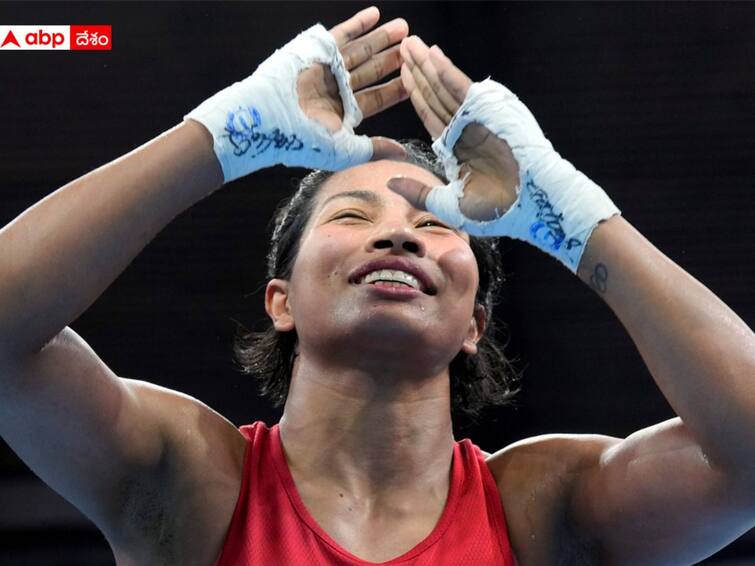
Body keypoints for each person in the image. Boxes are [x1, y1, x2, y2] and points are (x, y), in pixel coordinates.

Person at [0, 5, 753, 565]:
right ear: (280, 299)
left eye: (434, 227)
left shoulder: (542, 505)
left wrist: (576, 217)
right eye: (353, 213)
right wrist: (221, 137)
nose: (396, 235)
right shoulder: (194, 479)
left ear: (474, 324)